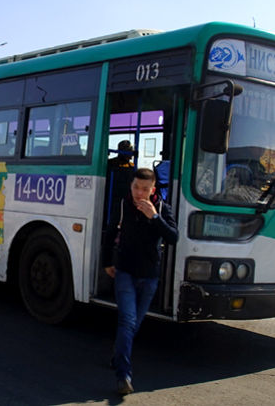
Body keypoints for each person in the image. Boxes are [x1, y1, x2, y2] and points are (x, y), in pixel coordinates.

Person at [103, 168, 178, 395]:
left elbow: (173, 237)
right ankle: (123, 375)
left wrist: (154, 217)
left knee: (135, 324)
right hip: (124, 271)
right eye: (136, 187)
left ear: (153, 189)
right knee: (127, 320)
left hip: (150, 277)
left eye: (145, 189)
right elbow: (109, 233)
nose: (139, 192)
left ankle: (118, 355)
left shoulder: (162, 209)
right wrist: (107, 261)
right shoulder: (124, 205)